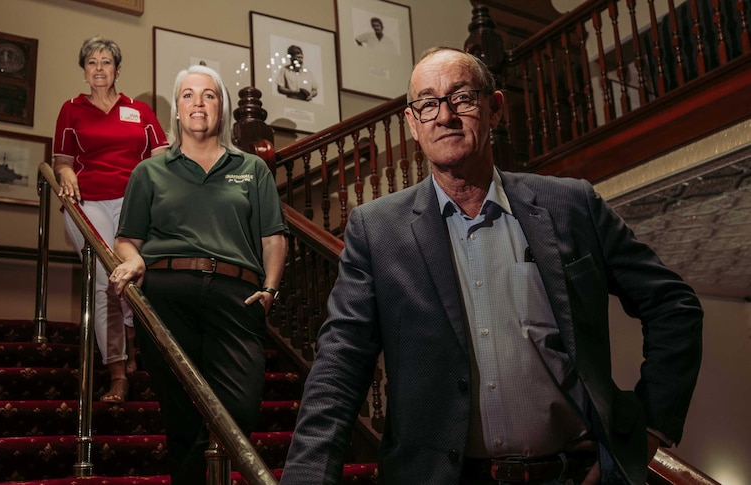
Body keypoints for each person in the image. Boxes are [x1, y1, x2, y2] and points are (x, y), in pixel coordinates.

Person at [280, 46, 703, 485]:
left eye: (461, 97)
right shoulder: (377, 230)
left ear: (495, 108)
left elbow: (672, 305)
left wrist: (651, 425)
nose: (444, 116)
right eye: (426, 104)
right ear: (412, 123)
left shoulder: (572, 205)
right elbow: (340, 366)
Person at [109, 64, 287, 484]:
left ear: (221, 107)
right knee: (182, 416)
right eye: (188, 95)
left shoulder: (251, 168)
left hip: (237, 294)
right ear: (177, 109)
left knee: (240, 408)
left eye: (208, 95)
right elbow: (126, 238)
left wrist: (270, 289)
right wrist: (134, 260)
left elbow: (273, 237)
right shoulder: (149, 171)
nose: (198, 103)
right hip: (166, 294)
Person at [53, 36, 169, 403]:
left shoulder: (140, 111)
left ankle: (132, 336)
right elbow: (62, 160)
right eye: (91, 62)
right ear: (84, 70)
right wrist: (65, 171)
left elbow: (161, 160)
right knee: (106, 277)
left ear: (117, 70)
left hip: (134, 202)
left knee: (135, 273)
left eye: (106, 61)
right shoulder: (71, 109)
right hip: (89, 201)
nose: (99, 67)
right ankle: (118, 372)